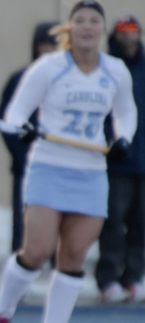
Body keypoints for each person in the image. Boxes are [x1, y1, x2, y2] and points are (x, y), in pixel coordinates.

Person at [0, 0, 137, 323]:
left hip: (90, 174)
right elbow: (15, 114)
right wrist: (22, 129)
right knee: (36, 252)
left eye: (94, 21)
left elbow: (126, 113)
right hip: (49, 168)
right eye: (80, 21)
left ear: (103, 30)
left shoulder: (115, 70)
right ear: (70, 28)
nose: (87, 27)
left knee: (72, 257)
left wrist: (123, 140)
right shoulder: (49, 67)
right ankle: (2, 312)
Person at [94, 13, 145, 303]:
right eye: (123, 30)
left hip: (142, 162)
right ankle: (108, 278)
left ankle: (134, 277)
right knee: (112, 222)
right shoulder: (107, 69)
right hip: (116, 163)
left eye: (133, 29)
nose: (129, 35)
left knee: (140, 224)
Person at [0, 21, 59, 252]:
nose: (49, 50)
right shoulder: (20, 79)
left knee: (60, 223)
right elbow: (7, 122)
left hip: (60, 166)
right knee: (23, 225)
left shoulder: (69, 81)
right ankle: (19, 279)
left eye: (55, 44)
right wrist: (24, 155)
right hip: (26, 167)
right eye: (45, 44)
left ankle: (58, 272)